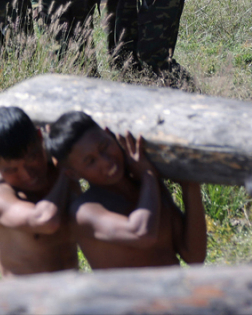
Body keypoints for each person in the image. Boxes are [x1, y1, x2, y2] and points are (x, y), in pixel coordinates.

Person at [47, 112, 205, 269]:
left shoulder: (144, 187)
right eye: (90, 161)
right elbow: (141, 234)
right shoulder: (84, 211)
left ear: (109, 134)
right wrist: (148, 175)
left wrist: (190, 185)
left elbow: (193, 256)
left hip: (178, 292)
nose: (106, 161)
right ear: (73, 173)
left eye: (104, 146)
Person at [0, 106, 79, 276]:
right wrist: (64, 170)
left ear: (40, 138)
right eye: (11, 169)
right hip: (28, 299)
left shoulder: (58, 168)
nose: (27, 174)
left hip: (73, 291)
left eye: (32, 158)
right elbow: (46, 221)